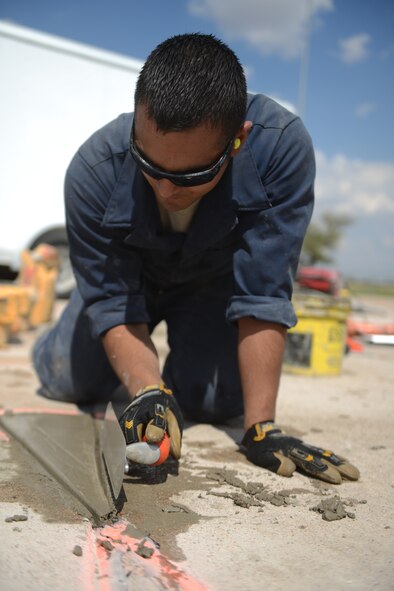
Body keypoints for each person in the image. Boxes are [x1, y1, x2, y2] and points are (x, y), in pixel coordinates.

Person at [33, 33, 359, 484]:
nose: (167, 191)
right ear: (135, 131)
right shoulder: (93, 169)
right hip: (129, 282)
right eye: (150, 167)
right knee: (68, 381)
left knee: (214, 404)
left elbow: (264, 293)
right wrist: (149, 391)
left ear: (238, 140)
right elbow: (113, 302)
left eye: (192, 176)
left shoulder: (280, 149)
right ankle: (64, 341)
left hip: (210, 284)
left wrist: (261, 428)